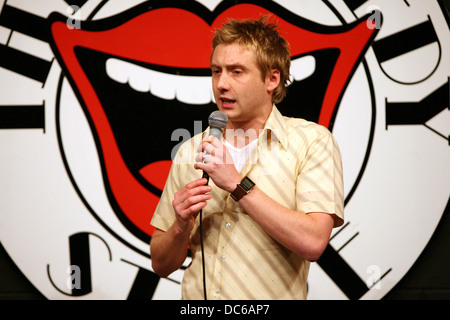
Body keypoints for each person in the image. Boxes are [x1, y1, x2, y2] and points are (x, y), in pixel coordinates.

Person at [150, 16, 344, 300]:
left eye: (236, 72)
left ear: (272, 79)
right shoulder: (191, 150)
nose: (221, 84)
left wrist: (236, 183)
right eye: (216, 71)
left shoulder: (311, 142)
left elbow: (312, 242)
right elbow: (160, 264)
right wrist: (180, 227)